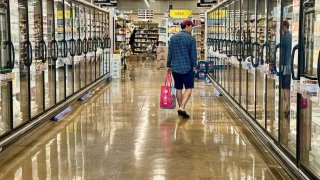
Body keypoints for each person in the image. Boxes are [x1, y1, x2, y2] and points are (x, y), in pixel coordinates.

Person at [167, 19, 197, 118]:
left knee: (178, 88)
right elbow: (193, 54)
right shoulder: (191, 39)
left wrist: (169, 65)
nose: (192, 28)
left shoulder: (173, 38)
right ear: (187, 26)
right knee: (189, 88)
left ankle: (181, 108)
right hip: (187, 67)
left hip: (175, 67)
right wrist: (194, 65)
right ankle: (182, 107)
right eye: (191, 26)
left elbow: (170, 52)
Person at [281, 19, 292, 119]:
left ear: (285, 26)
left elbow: (282, 52)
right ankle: (286, 106)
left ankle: (288, 106)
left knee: (285, 88)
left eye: (282, 27)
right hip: (288, 65)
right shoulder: (290, 36)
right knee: (286, 88)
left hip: (285, 65)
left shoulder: (285, 37)